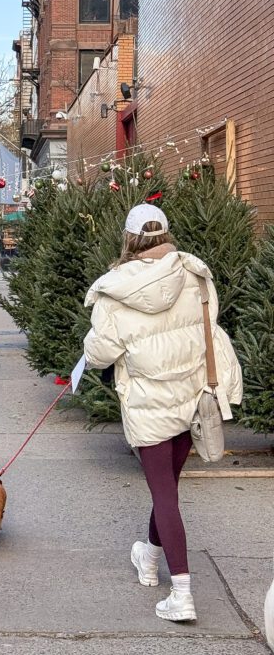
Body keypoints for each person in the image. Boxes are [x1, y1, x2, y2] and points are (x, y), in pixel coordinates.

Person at [83, 203, 243, 624]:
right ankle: (149, 556)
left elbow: (101, 353)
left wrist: (90, 345)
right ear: (165, 235)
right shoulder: (194, 273)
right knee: (167, 488)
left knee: (165, 494)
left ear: (130, 238)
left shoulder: (115, 288)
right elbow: (211, 321)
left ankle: (184, 592)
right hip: (192, 397)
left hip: (149, 405)